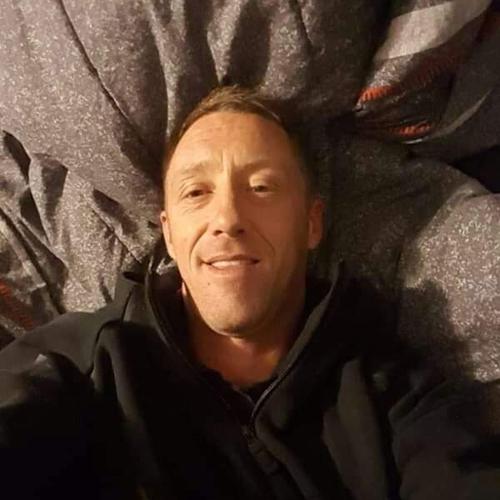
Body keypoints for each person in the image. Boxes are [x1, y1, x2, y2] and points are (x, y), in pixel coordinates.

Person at [0, 86, 498, 500]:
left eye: (261, 187)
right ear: (169, 234)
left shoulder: (401, 398)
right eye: (196, 192)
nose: (228, 218)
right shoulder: (85, 364)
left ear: (312, 223)